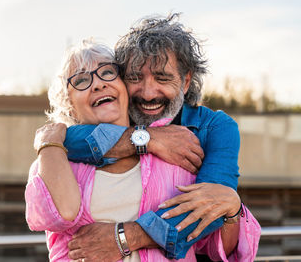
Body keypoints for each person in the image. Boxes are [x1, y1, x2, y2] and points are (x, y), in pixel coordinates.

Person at [25, 39, 260, 261]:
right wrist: (51, 145)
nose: (98, 84)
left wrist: (231, 211)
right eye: (81, 81)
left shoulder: (173, 153)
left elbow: (208, 242)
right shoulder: (55, 158)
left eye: (107, 72)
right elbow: (55, 214)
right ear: (69, 103)